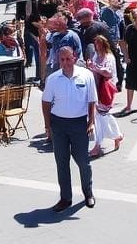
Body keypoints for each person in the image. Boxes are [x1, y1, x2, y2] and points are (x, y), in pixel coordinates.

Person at [41, 46, 97, 212]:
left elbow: (92, 100)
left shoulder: (86, 75)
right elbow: (45, 103)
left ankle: (88, 192)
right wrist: (48, 125)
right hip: (59, 125)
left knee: (83, 162)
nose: (65, 63)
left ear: (75, 57)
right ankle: (65, 198)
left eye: (68, 59)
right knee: (62, 162)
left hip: (79, 124)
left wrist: (91, 121)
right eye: (62, 60)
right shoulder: (53, 79)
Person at [86, 35, 123, 157]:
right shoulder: (96, 55)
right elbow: (93, 69)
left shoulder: (109, 57)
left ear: (103, 44)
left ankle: (99, 145)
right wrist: (90, 65)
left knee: (100, 116)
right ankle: (115, 136)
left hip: (105, 90)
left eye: (98, 43)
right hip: (95, 88)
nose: (96, 46)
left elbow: (109, 73)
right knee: (101, 116)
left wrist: (95, 67)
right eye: (95, 43)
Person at [40, 13, 83, 82]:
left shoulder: (72, 36)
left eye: (57, 24)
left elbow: (77, 53)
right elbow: (45, 47)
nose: (55, 26)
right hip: (56, 66)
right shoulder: (54, 35)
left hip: (70, 67)